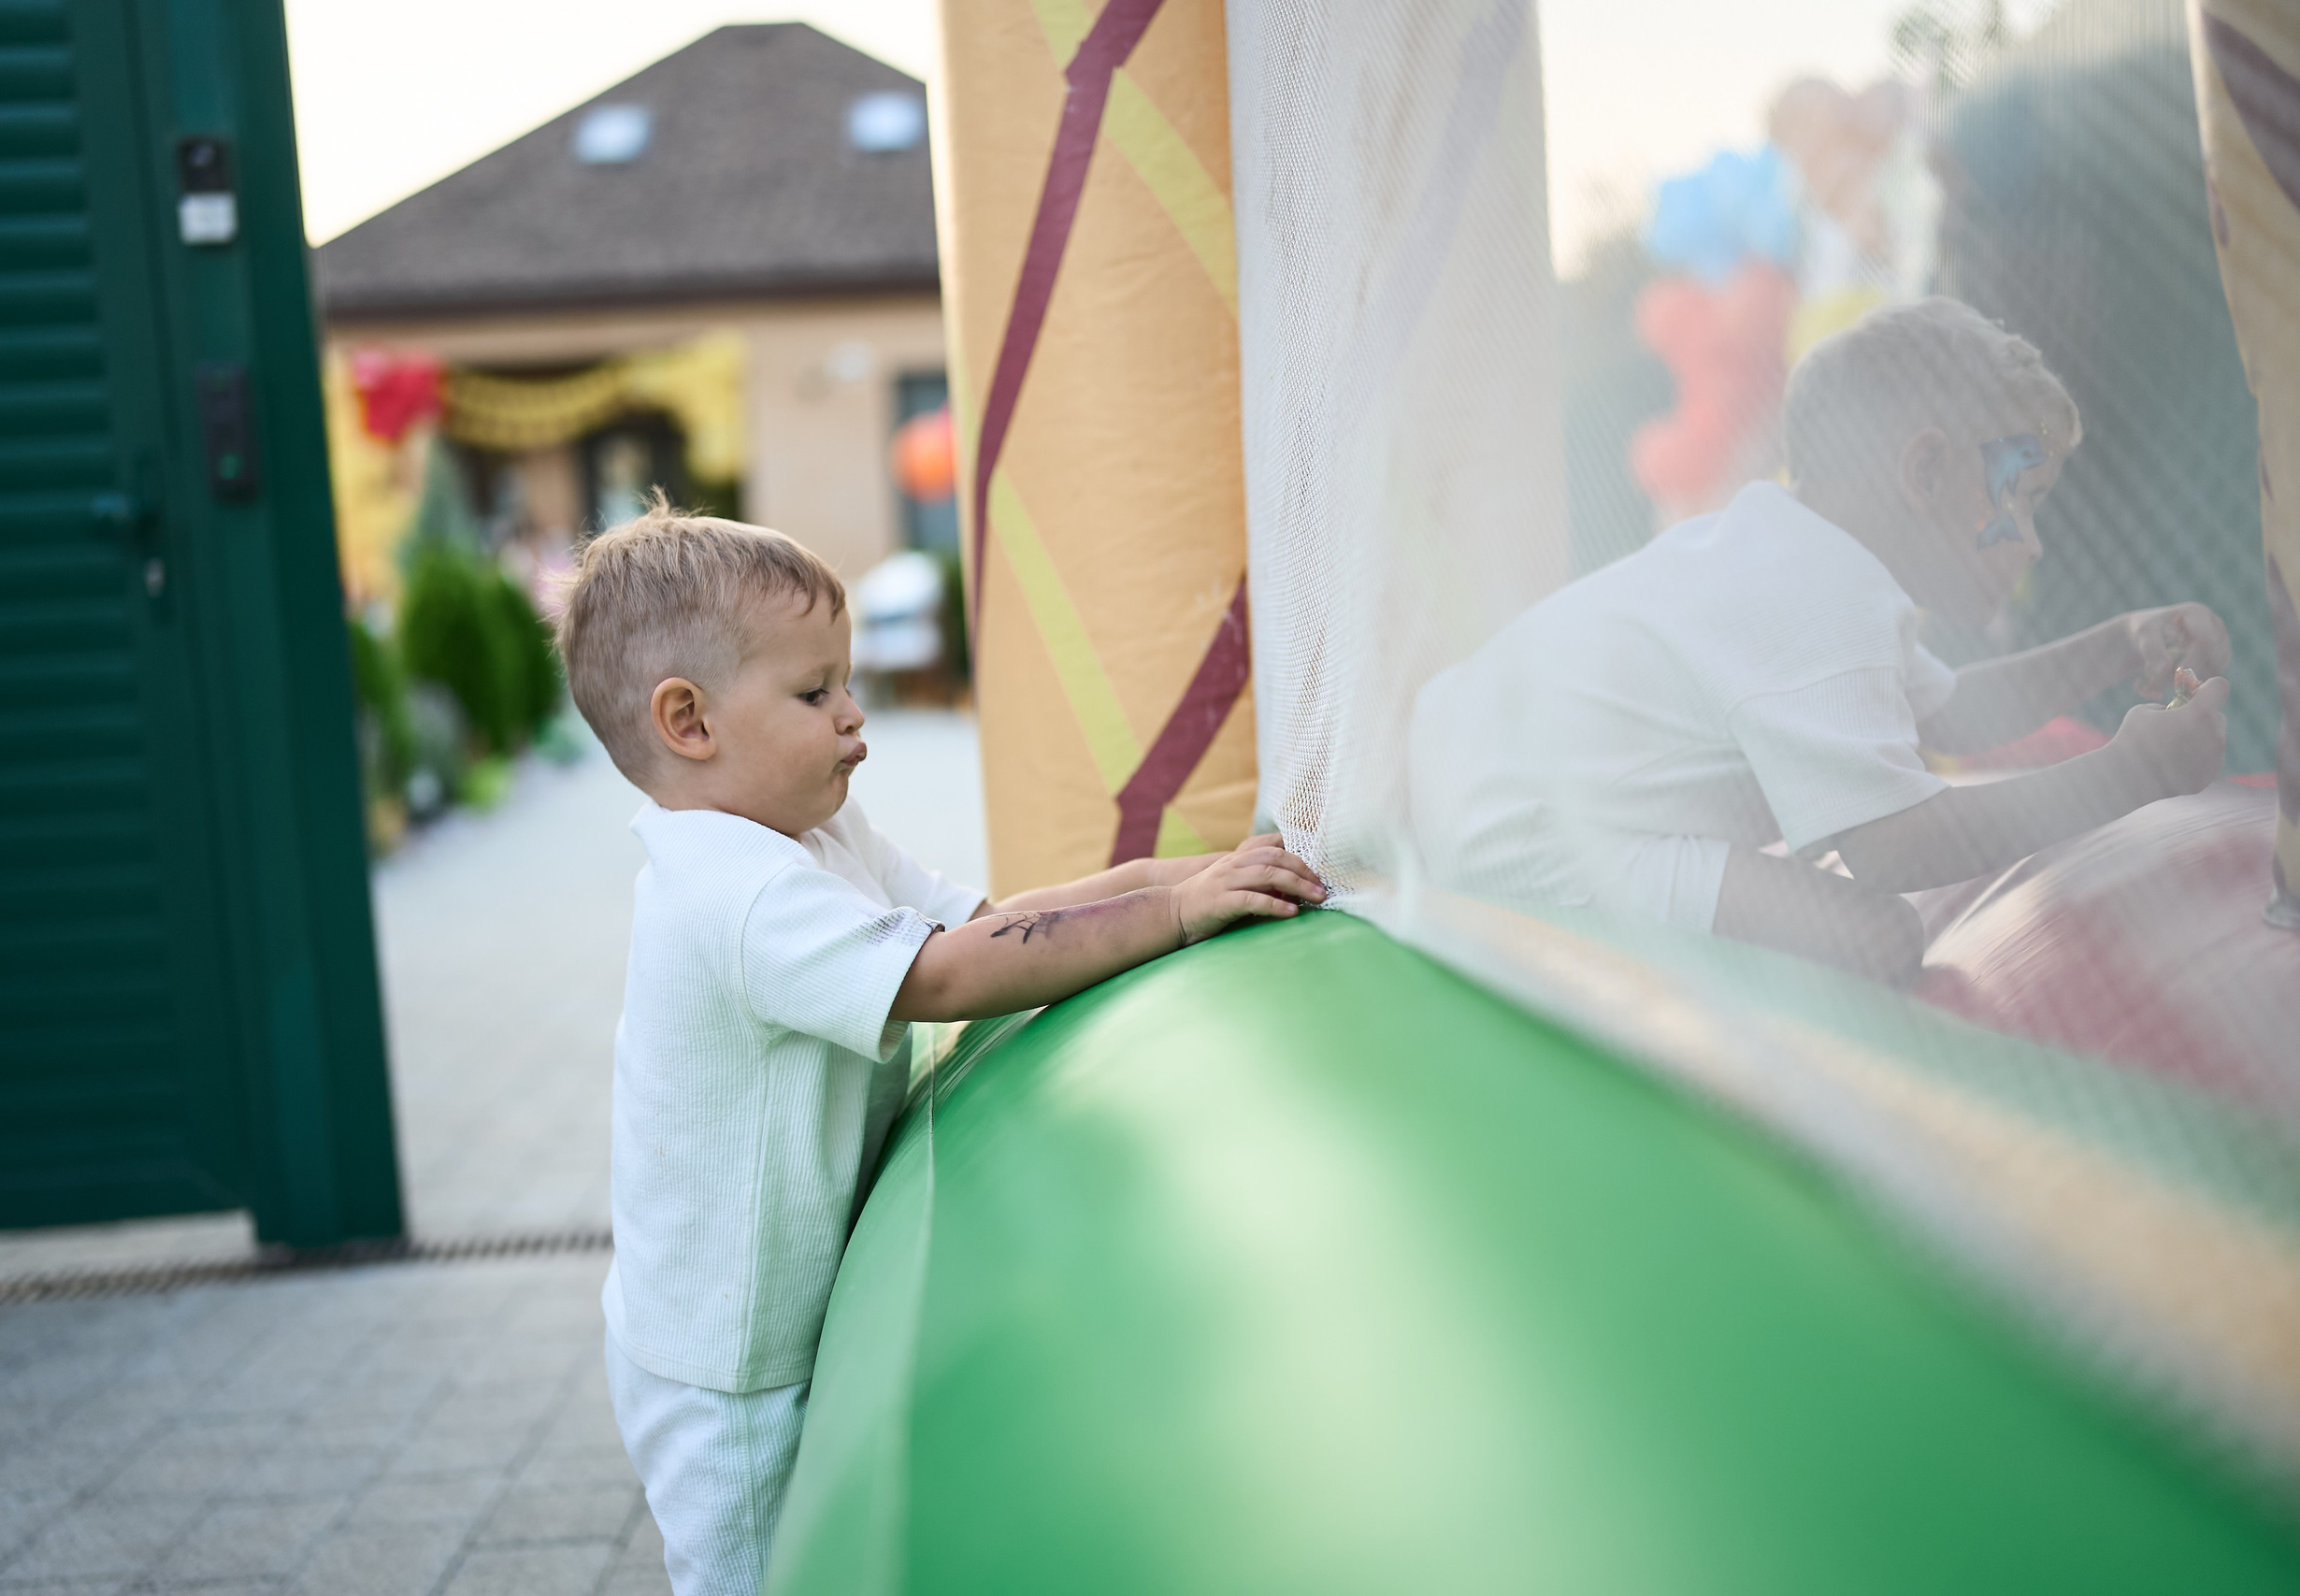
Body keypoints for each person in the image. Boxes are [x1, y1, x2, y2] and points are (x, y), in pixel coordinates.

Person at [552, 499, 1322, 1595]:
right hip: (729, 1371)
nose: (854, 715)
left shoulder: (815, 833)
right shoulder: (731, 891)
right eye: (815, 693)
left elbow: (985, 922)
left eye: (846, 682)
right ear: (689, 721)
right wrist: (1175, 917)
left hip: (770, 1324)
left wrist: (1176, 876)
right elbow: (946, 977)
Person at [1410, 297, 2231, 985]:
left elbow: (1951, 716)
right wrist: (2129, 774)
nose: (2034, 542)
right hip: (1531, 843)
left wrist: (2118, 646)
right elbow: (1893, 847)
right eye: (2021, 497)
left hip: (1469, 769)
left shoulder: (1792, 555)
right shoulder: (1822, 602)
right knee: (1875, 938)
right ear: (1926, 472)